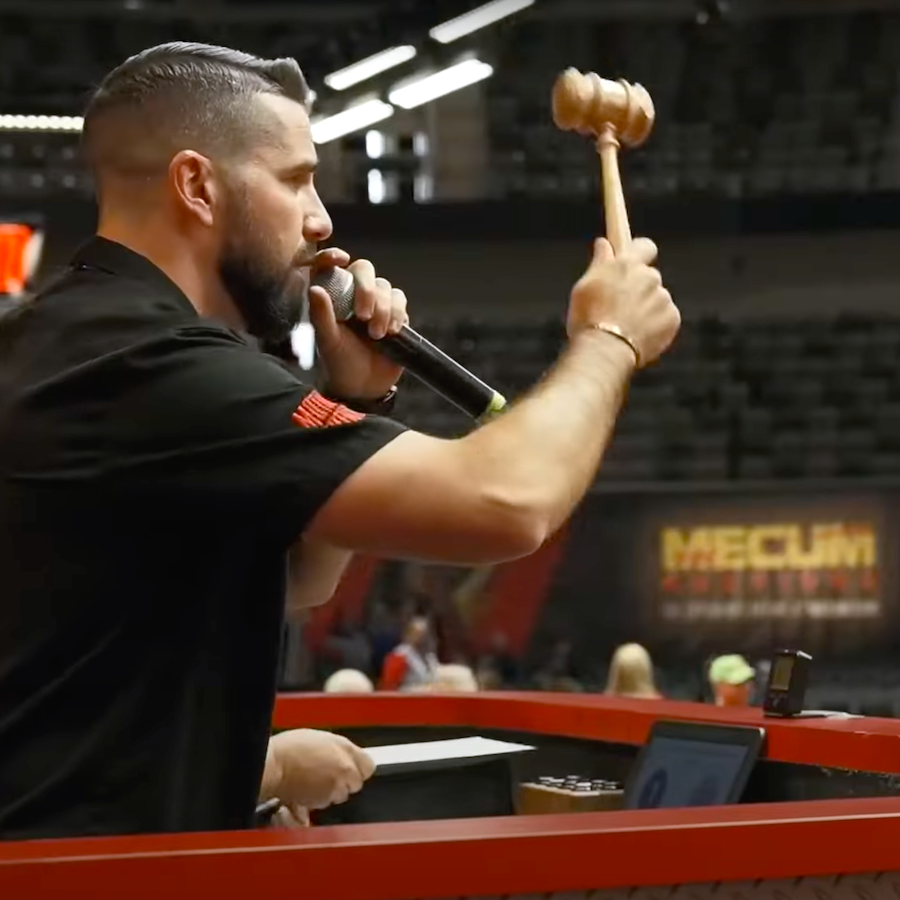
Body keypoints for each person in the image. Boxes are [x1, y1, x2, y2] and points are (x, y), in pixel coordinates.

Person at [0, 41, 678, 839]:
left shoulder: (77, 339)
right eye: (295, 180)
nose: (320, 218)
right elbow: (506, 504)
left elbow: (289, 580)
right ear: (196, 186)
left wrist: (353, 396)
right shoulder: (146, 364)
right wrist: (608, 337)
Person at [378, 617, 439, 691]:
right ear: (409, 635)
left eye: (425, 635)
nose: (422, 638)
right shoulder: (400, 655)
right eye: (418, 634)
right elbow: (388, 686)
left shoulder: (430, 657)